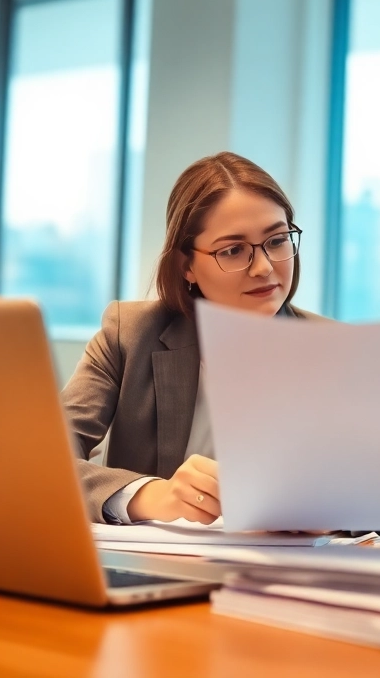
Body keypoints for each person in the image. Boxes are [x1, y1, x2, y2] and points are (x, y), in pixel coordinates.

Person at [64, 151, 314, 524]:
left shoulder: (335, 347)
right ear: (187, 267)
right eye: (233, 250)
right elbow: (44, 459)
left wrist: (338, 508)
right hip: (155, 571)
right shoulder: (130, 334)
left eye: (277, 241)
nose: (264, 268)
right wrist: (150, 495)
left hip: (289, 573)